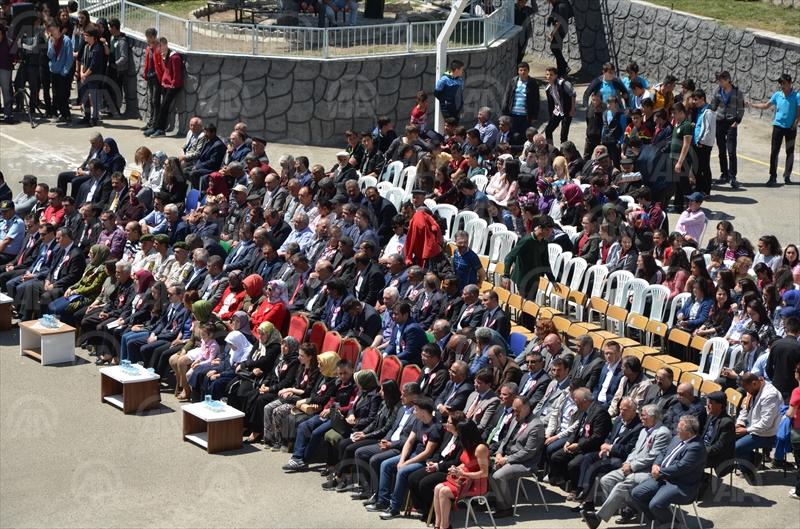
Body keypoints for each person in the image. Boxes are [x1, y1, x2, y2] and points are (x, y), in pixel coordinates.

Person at [581, 404, 672, 527]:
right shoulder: (644, 430)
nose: (641, 418)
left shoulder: (662, 433)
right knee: (606, 480)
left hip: (647, 471)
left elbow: (653, 457)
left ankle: (598, 517)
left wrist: (633, 466)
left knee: (620, 487)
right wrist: (627, 463)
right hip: (632, 466)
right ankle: (632, 506)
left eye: (643, 416)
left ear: (652, 417)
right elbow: (634, 450)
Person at [627, 416, 707, 529]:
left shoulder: (696, 448)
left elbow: (681, 467)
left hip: (680, 485)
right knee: (637, 493)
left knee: (655, 505)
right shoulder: (677, 439)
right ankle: (660, 523)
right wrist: (656, 465)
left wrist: (660, 473)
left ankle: (674, 527)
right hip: (663, 478)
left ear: (688, 433)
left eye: (679, 429)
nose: (676, 431)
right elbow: (663, 452)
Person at [489, 395, 545, 518]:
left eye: (517, 411)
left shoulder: (537, 426)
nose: (514, 413)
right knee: (486, 465)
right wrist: (499, 453)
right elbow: (505, 440)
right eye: (513, 410)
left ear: (527, 410)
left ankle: (506, 507)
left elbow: (528, 452)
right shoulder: (516, 419)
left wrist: (506, 459)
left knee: (498, 475)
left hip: (526, 463)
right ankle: (494, 499)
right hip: (508, 456)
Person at [431, 419, 490, 528]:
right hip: (464, 479)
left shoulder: (480, 448)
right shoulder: (467, 445)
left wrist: (464, 473)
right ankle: (438, 524)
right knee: (438, 488)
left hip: (477, 484)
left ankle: (445, 526)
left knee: (443, 491)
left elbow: (484, 473)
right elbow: (465, 463)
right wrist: (456, 468)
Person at [745, 73, 799, 186]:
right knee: (774, 152)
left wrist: (794, 125)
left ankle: (787, 175)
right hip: (777, 127)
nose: (782, 86)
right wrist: (752, 105)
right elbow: (766, 105)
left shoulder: (797, 96)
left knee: (790, 152)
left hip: (791, 129)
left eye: (784, 83)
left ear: (790, 83)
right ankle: (772, 176)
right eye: (781, 84)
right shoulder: (777, 95)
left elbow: (799, 113)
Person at [734, 373, 783, 482]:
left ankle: (748, 470)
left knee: (737, 447)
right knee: (729, 436)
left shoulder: (770, 395)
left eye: (747, 388)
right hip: (753, 425)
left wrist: (746, 430)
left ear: (754, 383)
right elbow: (745, 409)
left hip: (768, 432)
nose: (747, 391)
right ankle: (754, 457)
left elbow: (766, 423)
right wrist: (740, 422)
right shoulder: (752, 390)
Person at [698, 391, 736, 500]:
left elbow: (721, 446)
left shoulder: (727, 422)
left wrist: (701, 452)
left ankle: (702, 482)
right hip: (704, 448)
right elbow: (703, 434)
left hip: (717, 456)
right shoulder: (710, 416)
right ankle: (700, 479)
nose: (707, 404)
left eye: (711, 402)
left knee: (692, 461)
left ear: (719, 406)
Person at [710, 71, 744, 189]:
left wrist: (737, 121)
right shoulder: (717, 91)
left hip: (731, 124)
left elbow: (741, 108)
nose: (719, 83)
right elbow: (713, 106)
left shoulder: (737, 92)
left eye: (721, 80)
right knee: (721, 150)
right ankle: (724, 174)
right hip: (719, 123)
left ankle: (732, 176)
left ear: (728, 80)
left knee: (731, 151)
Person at [501, 62, 540, 138]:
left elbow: (536, 100)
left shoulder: (533, 83)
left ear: (528, 71)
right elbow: (507, 96)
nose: (523, 72)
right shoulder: (512, 82)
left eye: (525, 70)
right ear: (518, 71)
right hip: (513, 114)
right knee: (513, 135)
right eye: (521, 70)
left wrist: (534, 115)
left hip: (526, 115)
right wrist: (504, 111)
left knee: (524, 135)